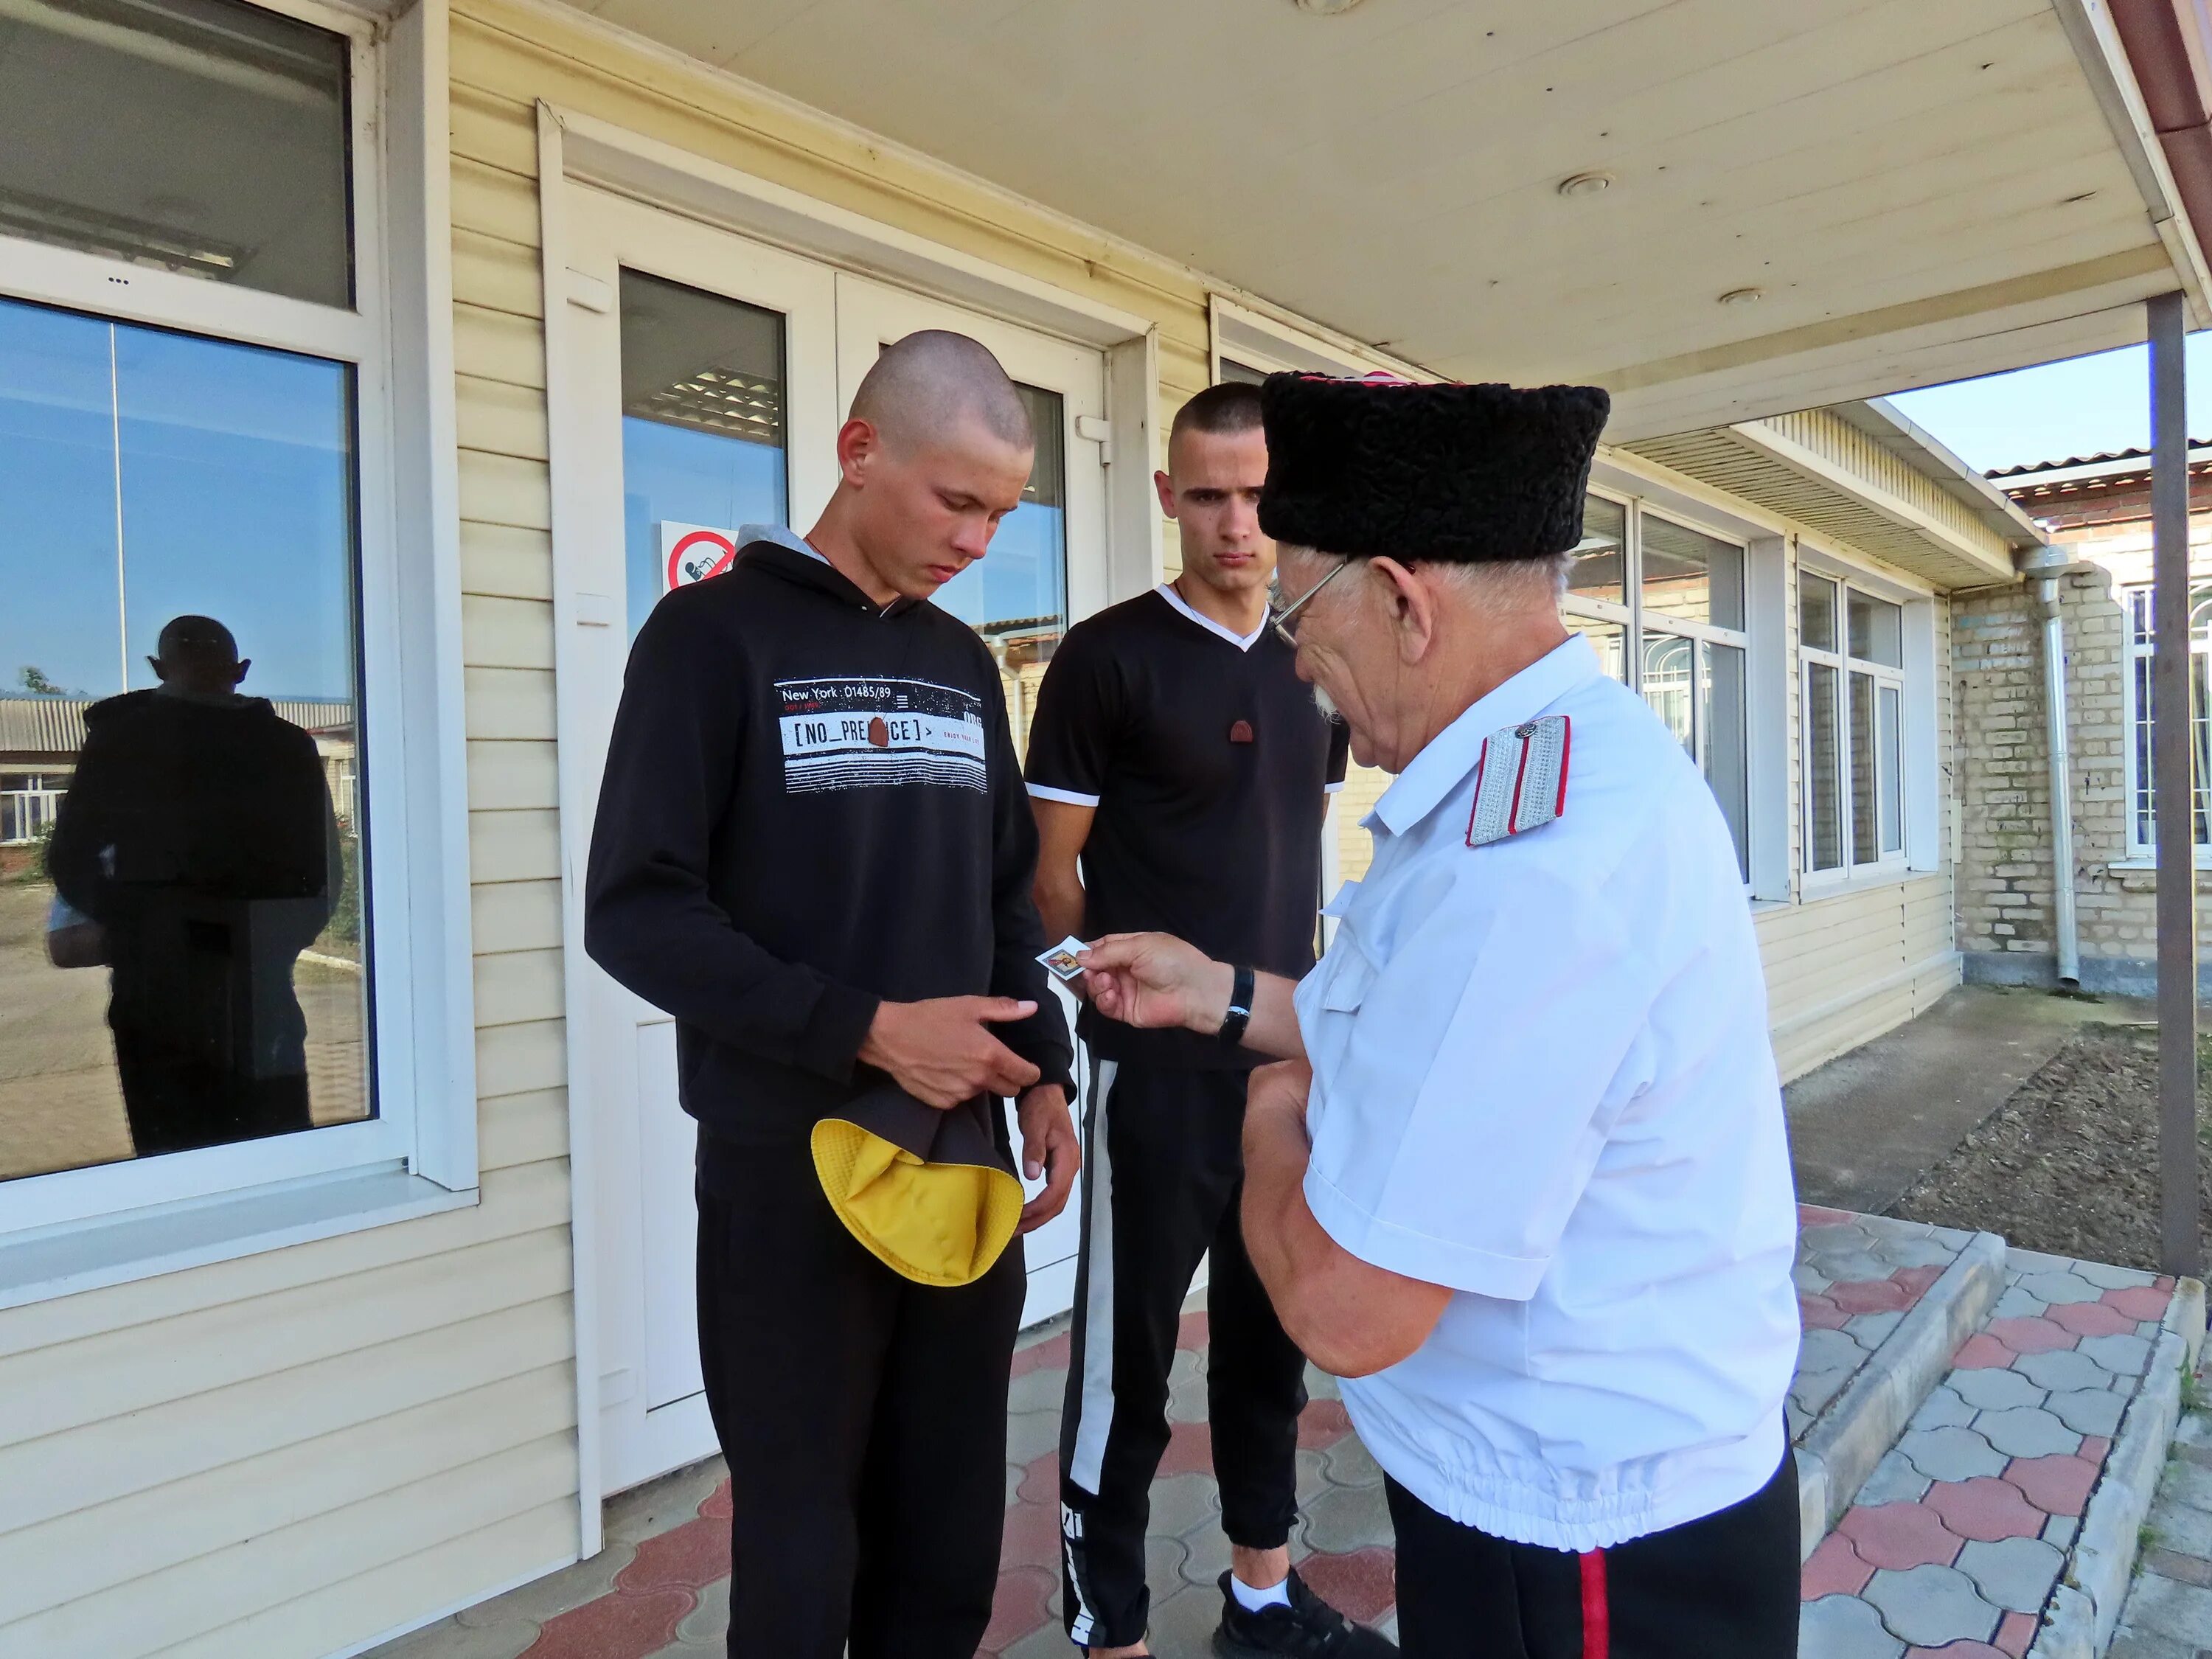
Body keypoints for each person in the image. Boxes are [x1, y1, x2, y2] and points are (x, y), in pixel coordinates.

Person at [1077, 374, 1802, 1658]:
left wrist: (1275, 1117)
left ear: (1406, 601)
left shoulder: (1531, 861)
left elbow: (1349, 1313)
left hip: (1579, 1540)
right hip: (1545, 1495)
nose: (1297, 661)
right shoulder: (1527, 772)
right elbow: (1404, 1018)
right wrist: (1221, 992)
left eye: (1304, 615)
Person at [584, 330, 1081, 1659]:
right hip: (789, 1174)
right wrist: (862, 1028)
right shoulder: (710, 639)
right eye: (956, 500)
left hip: (958, 1156)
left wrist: (1044, 1072)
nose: (978, 540)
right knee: (805, 1544)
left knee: (946, 1526)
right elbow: (635, 911)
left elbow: (1000, 905)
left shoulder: (965, 664)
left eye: (1001, 513)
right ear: (861, 453)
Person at [1024, 382, 1380, 1659]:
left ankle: (1262, 1597)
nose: (1238, 523)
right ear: (1169, 497)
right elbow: (1044, 868)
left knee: (1268, 1344)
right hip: (1152, 1080)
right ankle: (1106, 1628)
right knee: (1125, 1375)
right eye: (1210, 495)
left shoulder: (1312, 661)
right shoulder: (1109, 657)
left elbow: (1293, 838)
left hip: (1282, 1063)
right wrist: (1089, 990)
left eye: (1258, 496)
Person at [48, 615, 338, 1157]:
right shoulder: (287, 750)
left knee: (175, 1160)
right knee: (275, 1156)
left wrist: (144, 936)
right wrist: (263, 944)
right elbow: (322, 883)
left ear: (158, 668)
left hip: (157, 1000)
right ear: (242, 670)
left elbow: (71, 860)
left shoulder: (120, 742)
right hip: (258, 994)